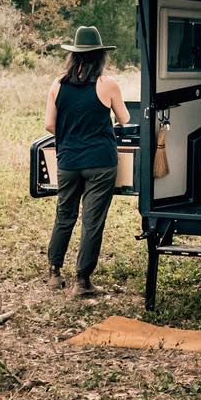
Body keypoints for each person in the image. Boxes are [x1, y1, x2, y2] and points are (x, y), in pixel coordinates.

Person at [44, 25, 130, 297]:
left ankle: (54, 272)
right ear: (101, 56)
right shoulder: (108, 84)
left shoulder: (58, 85)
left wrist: (72, 134)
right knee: (93, 220)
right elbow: (125, 119)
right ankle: (82, 281)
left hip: (68, 160)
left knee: (64, 214)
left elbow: (49, 125)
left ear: (74, 55)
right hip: (100, 162)